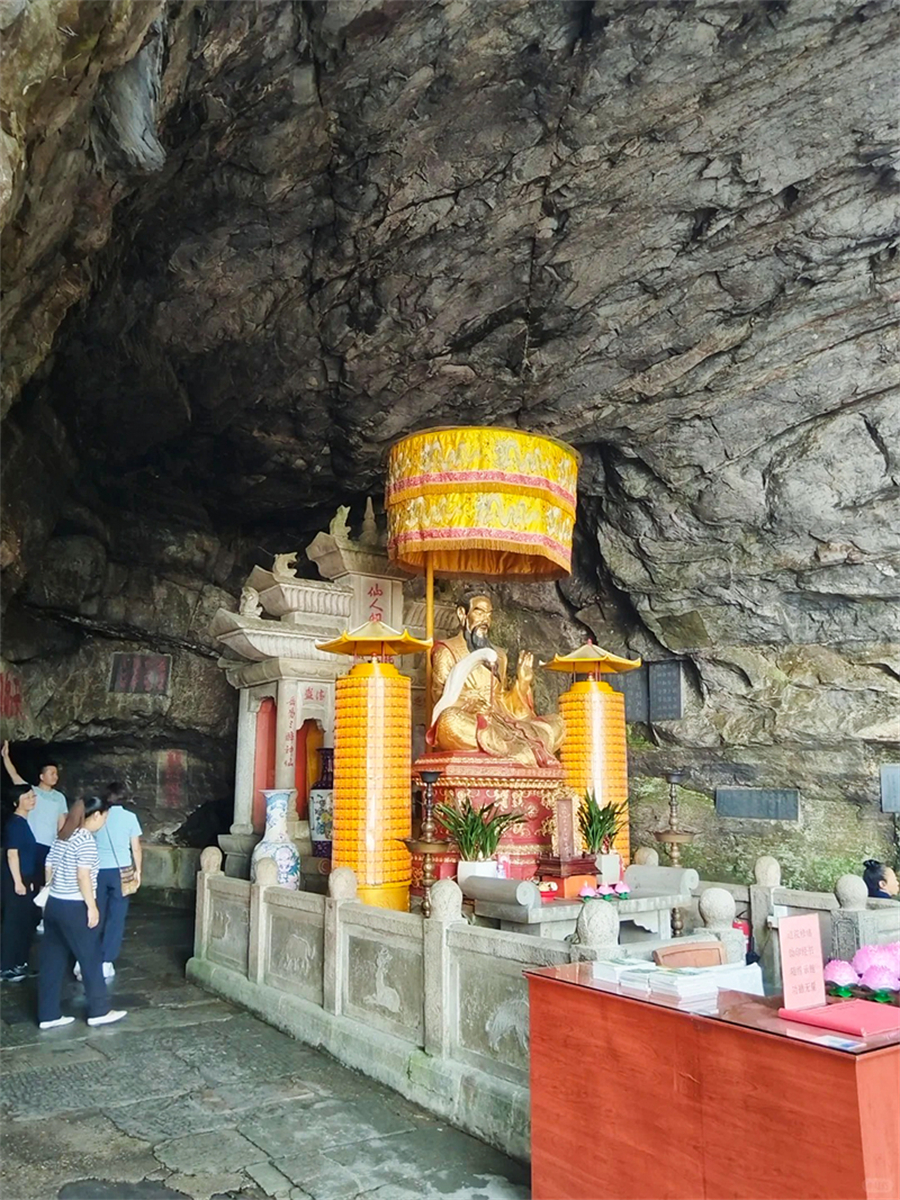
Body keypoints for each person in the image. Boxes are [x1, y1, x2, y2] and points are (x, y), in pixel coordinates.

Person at [428, 589, 565, 767]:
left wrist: (522, 683)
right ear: (462, 614)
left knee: (558, 723)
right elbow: (440, 698)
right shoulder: (446, 651)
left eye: (489, 614)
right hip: (471, 721)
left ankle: (510, 752)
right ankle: (516, 753)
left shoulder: (499, 655)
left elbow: (503, 701)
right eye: (479, 612)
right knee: (449, 721)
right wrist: (470, 705)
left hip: (502, 723)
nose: (485, 619)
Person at [39, 796, 127, 1030]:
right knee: (91, 958)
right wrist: (92, 906)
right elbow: (83, 875)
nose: (104, 822)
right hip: (75, 906)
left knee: (52, 961)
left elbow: (48, 865)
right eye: (105, 817)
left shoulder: (63, 836)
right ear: (95, 815)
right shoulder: (86, 840)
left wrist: (54, 890)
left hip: (55, 904)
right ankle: (99, 1010)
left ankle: (48, 1014)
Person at [91, 782, 143, 978]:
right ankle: (106, 961)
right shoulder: (130, 817)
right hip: (122, 870)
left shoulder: (98, 815)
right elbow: (135, 847)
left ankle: (85, 957)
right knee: (116, 917)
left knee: (95, 913)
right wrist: (138, 870)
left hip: (98, 870)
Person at [2, 741, 68, 890]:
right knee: (28, 877)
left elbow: (61, 823)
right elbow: (14, 775)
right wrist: (6, 757)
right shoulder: (31, 792)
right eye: (51, 773)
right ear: (41, 776)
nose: (55, 777)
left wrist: (61, 846)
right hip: (31, 843)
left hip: (50, 845)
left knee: (44, 881)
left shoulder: (60, 798)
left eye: (56, 774)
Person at [1, 783, 39, 981]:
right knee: (13, 922)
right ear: (16, 802)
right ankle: (6, 966)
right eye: (27, 798)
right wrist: (18, 882)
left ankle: (19, 962)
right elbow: (12, 854)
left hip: (25, 877)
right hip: (16, 879)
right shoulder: (15, 824)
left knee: (24, 921)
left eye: (33, 796)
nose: (32, 800)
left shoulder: (23, 822)